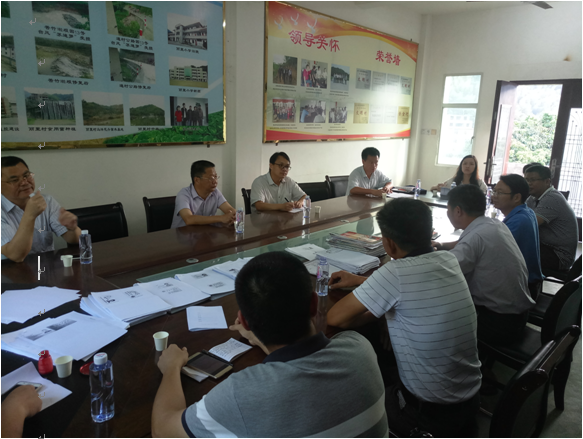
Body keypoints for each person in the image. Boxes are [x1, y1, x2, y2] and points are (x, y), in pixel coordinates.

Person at [152, 252, 388, 438]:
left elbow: (163, 431)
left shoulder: (242, 394)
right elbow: (301, 350)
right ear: (314, 304)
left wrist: (171, 368)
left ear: (244, 320)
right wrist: (261, 339)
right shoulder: (359, 347)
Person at [327, 199, 481, 437]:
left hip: (425, 414)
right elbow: (412, 287)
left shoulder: (395, 273)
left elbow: (335, 318)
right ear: (430, 232)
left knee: (344, 399)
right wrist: (371, 293)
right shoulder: (448, 259)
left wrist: (380, 311)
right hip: (469, 403)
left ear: (388, 243)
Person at [433, 185, 535, 344]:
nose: (447, 213)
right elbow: (467, 244)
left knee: (434, 318)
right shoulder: (494, 224)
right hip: (518, 315)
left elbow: (443, 272)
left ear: (458, 211)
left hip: (499, 323)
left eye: (448, 209)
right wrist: (441, 245)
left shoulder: (475, 238)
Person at [1, 156, 82, 263]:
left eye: (26, 176)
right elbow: (16, 256)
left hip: (45, 268)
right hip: (11, 271)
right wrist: (29, 215)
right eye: (15, 180)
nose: (25, 182)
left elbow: (75, 239)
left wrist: (72, 228)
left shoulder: (46, 201)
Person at [492, 174, 544, 290]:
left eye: (500, 193)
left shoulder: (519, 221)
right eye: (494, 191)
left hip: (523, 287)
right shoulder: (526, 211)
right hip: (530, 281)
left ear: (516, 197)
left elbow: (492, 251)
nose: (494, 196)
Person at [524, 165, 578, 272]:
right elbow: (521, 216)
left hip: (558, 255)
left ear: (547, 181)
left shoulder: (552, 198)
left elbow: (529, 224)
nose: (528, 183)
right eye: (526, 180)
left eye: (533, 180)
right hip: (545, 247)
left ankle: (526, 282)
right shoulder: (532, 197)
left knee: (514, 252)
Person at [171, 160, 236, 228]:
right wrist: (221, 218)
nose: (215, 181)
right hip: (182, 233)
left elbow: (230, 210)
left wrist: (233, 216)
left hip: (204, 232)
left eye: (216, 177)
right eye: (211, 178)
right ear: (197, 180)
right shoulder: (184, 194)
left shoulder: (215, 192)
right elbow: (189, 219)